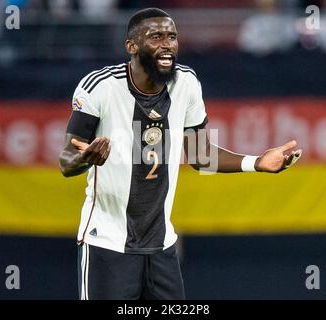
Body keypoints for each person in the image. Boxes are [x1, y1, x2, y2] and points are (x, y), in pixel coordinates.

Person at [59, 7, 302, 300]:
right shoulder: (99, 88)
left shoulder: (186, 83)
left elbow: (200, 155)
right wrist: (86, 159)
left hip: (162, 248)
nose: (167, 44)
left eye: (172, 37)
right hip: (107, 245)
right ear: (132, 47)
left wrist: (257, 162)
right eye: (156, 36)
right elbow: (66, 161)